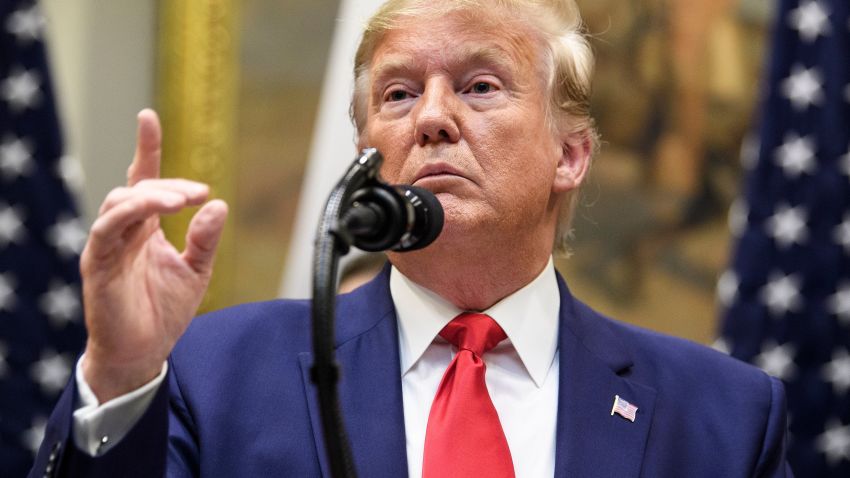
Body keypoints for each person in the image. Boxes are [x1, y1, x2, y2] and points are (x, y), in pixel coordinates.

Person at [30, 0, 792, 476]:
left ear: (570, 154)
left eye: (479, 85)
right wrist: (123, 372)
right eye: (398, 93)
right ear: (367, 153)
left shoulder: (722, 418)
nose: (430, 117)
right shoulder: (211, 375)